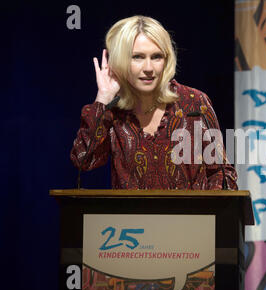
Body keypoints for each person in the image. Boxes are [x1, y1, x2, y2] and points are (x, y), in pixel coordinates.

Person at [70, 15, 237, 190]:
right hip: (130, 217)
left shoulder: (193, 103)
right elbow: (83, 161)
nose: (148, 68)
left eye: (156, 57)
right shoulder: (112, 110)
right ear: (120, 60)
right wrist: (103, 98)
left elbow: (222, 173)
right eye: (137, 57)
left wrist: (207, 213)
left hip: (192, 216)